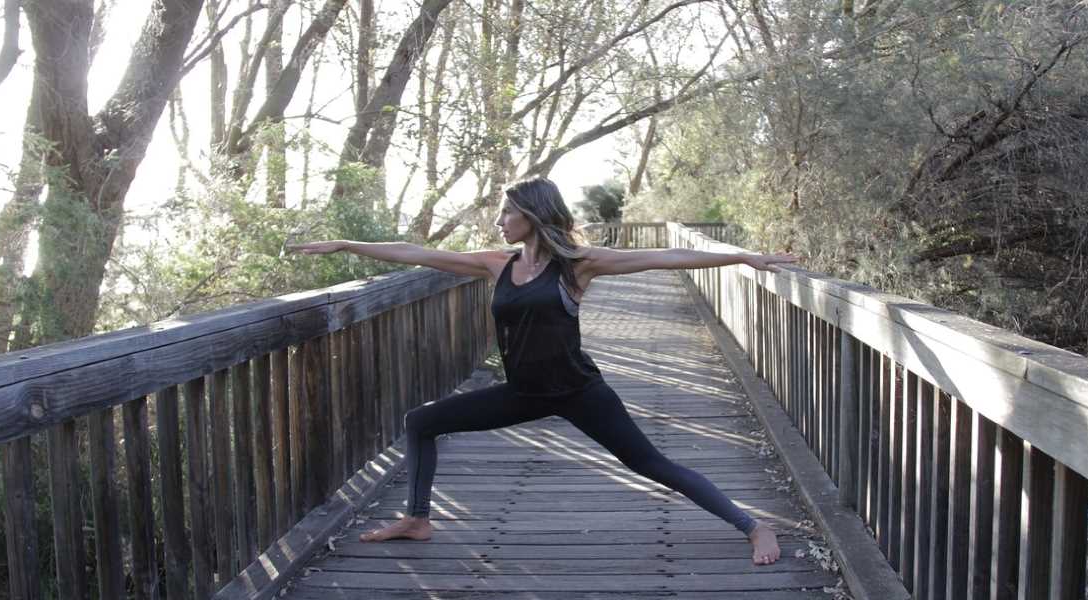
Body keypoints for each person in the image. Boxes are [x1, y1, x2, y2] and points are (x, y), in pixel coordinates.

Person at [288, 176, 798, 565]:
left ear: (532, 214)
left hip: (579, 392)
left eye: (507, 211)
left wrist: (741, 257)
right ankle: (418, 519)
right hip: (523, 392)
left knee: (651, 464)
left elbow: (665, 256)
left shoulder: (578, 264)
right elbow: (419, 254)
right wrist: (349, 246)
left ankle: (753, 527)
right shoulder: (497, 264)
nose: (500, 220)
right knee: (421, 421)